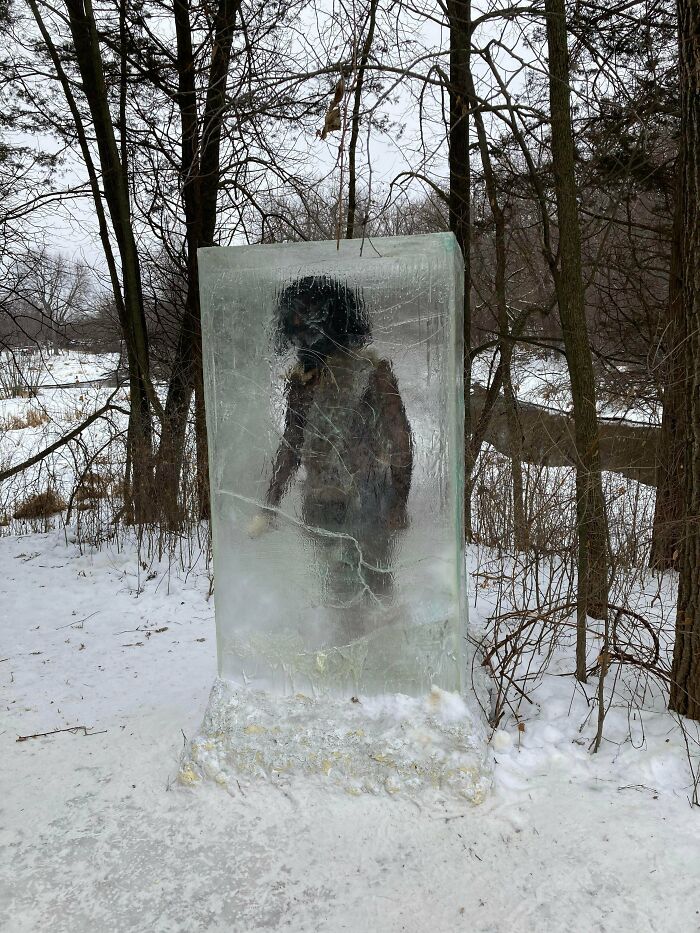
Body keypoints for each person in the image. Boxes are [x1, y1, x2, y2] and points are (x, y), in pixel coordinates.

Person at [249, 275, 413, 631]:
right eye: (297, 322)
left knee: (376, 591)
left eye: (311, 319)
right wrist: (270, 503)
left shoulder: (371, 370)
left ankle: (381, 664)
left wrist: (398, 503)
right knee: (339, 596)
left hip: (369, 499)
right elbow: (292, 444)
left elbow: (401, 441)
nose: (304, 331)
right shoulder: (302, 379)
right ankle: (351, 661)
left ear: (336, 319)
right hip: (324, 502)